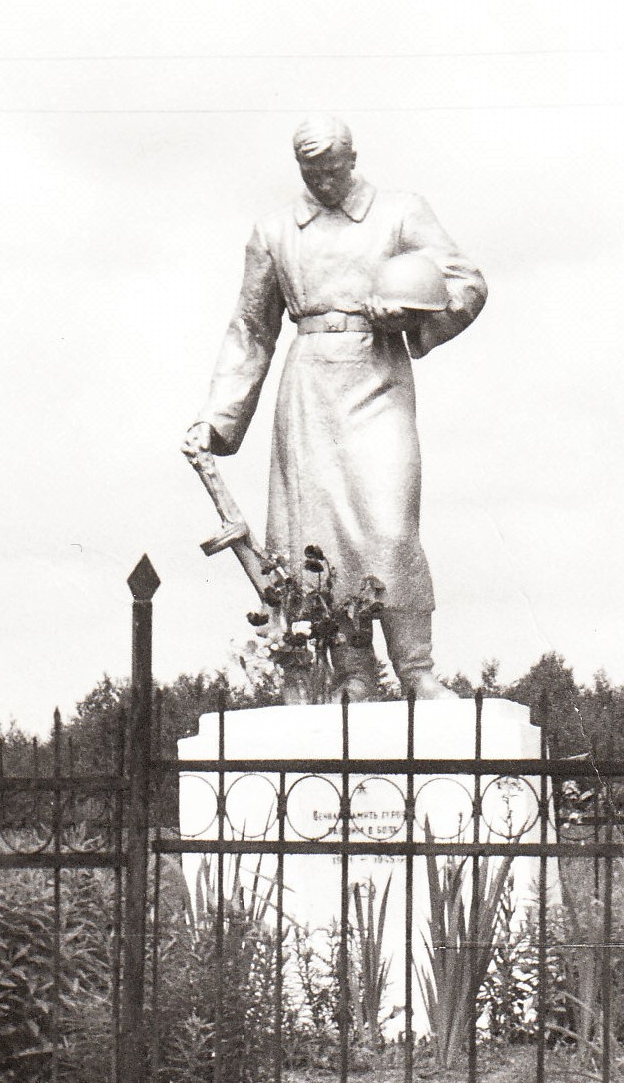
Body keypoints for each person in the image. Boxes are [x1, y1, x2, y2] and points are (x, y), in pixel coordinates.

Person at [184, 115, 486, 700]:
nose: (323, 181)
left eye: (331, 169)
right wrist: (217, 419)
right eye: (310, 172)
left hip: (378, 375)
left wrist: (413, 315)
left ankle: (417, 669)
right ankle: (354, 675)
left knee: (391, 528)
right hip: (309, 388)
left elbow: (467, 284)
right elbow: (251, 328)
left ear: (352, 159)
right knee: (321, 542)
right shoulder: (275, 231)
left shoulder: (400, 213)